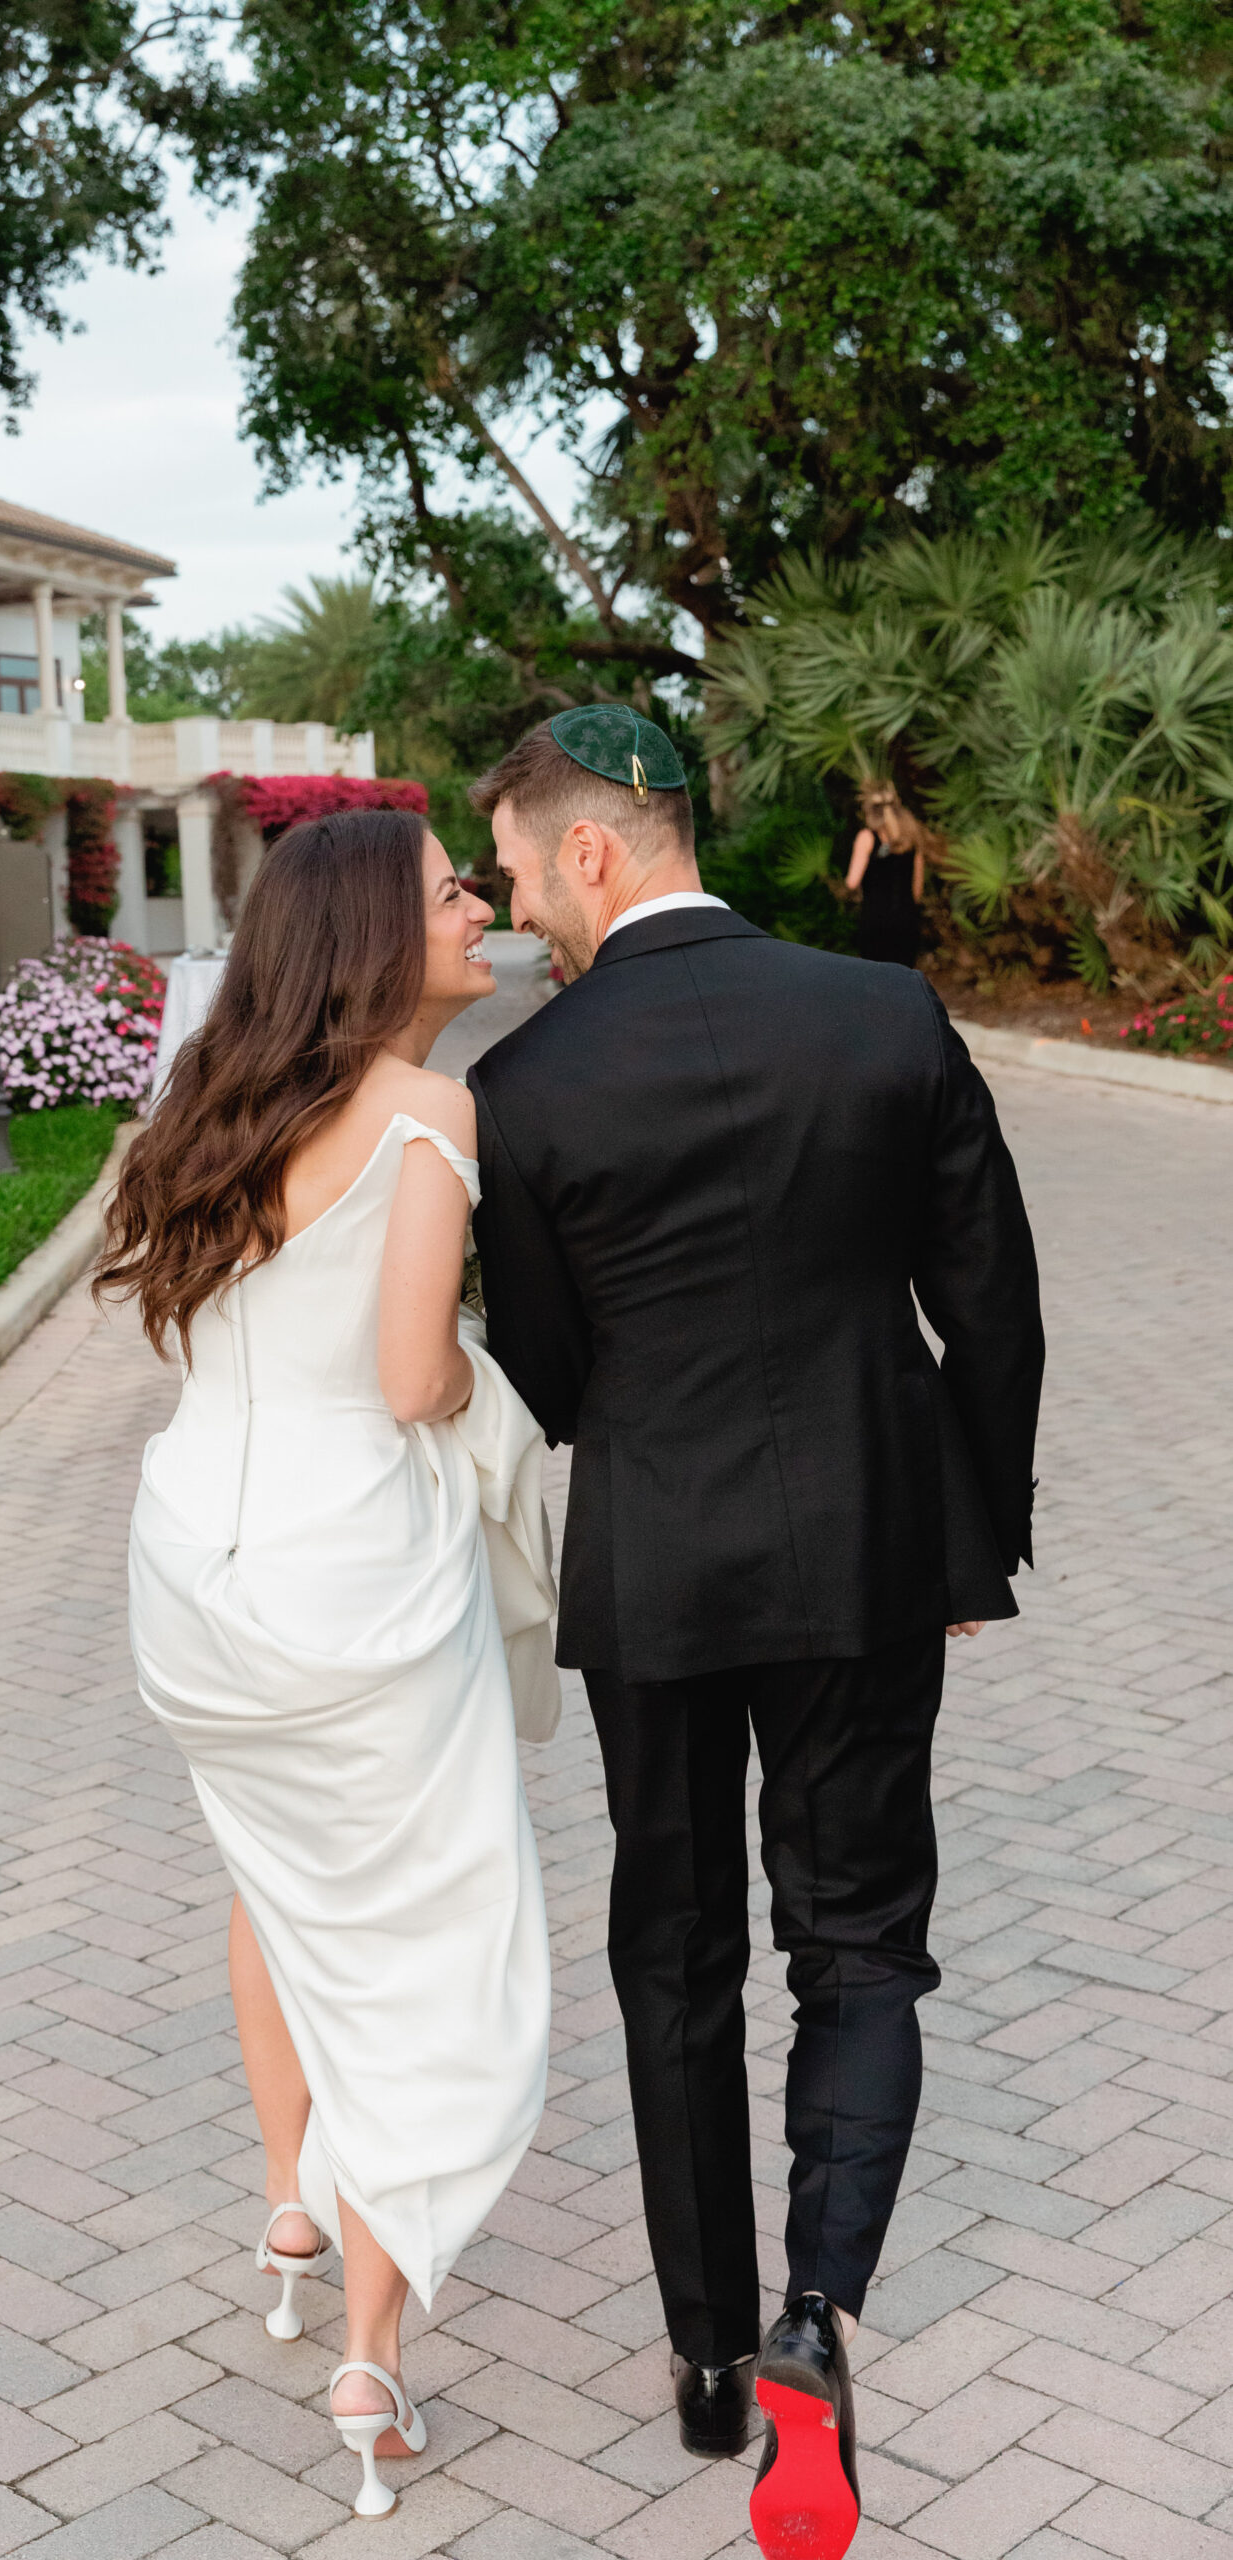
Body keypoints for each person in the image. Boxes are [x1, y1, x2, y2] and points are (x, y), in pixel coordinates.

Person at [465, 709, 1045, 2560]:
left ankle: (710, 2354)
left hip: (654, 1563)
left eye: (515, 873)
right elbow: (992, 1305)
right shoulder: (882, 1015)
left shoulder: (524, 1082)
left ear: (591, 852)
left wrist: (645, 1424)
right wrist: (974, 1536)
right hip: (867, 1543)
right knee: (857, 1941)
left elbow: (544, 1365)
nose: (513, 913)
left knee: (675, 1947)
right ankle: (820, 2310)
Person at [97, 809, 556, 2522]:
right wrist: (512, 1402)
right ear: (371, 934)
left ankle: (290, 2203)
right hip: (353, 1584)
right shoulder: (426, 1113)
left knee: (278, 1880)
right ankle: (368, 2355)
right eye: (445, 889)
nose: (473, 905)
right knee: (423, 1950)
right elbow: (411, 1379)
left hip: (193, 1576)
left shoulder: (203, 1101)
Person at [847, 781, 929, 968]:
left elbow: (852, 882)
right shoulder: (912, 839)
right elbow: (917, 890)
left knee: (876, 977)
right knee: (903, 974)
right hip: (906, 920)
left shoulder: (866, 838)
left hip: (874, 921)